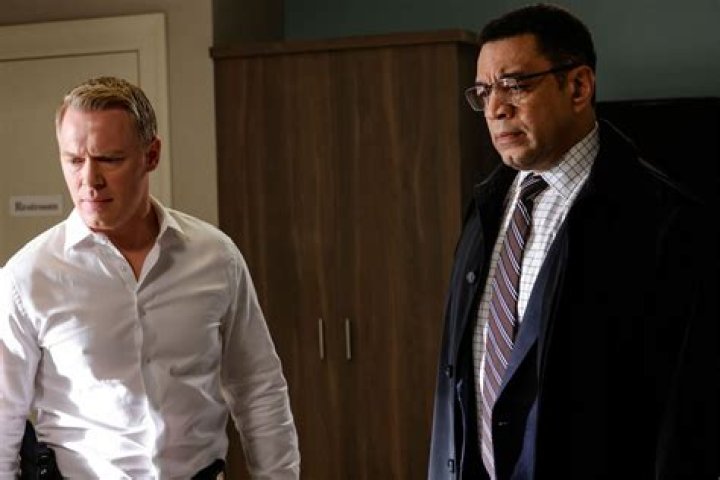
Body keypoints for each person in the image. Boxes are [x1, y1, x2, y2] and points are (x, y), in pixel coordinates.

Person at [428, 4, 716, 479]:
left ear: (578, 87)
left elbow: (684, 419)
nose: (496, 108)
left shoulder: (666, 221)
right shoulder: (485, 208)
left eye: (514, 84)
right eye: (484, 91)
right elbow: (459, 385)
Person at [0, 76, 300, 479]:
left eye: (109, 159)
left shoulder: (216, 258)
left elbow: (258, 387)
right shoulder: (27, 277)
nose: (89, 180)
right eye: (74, 160)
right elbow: (3, 417)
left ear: (151, 155)